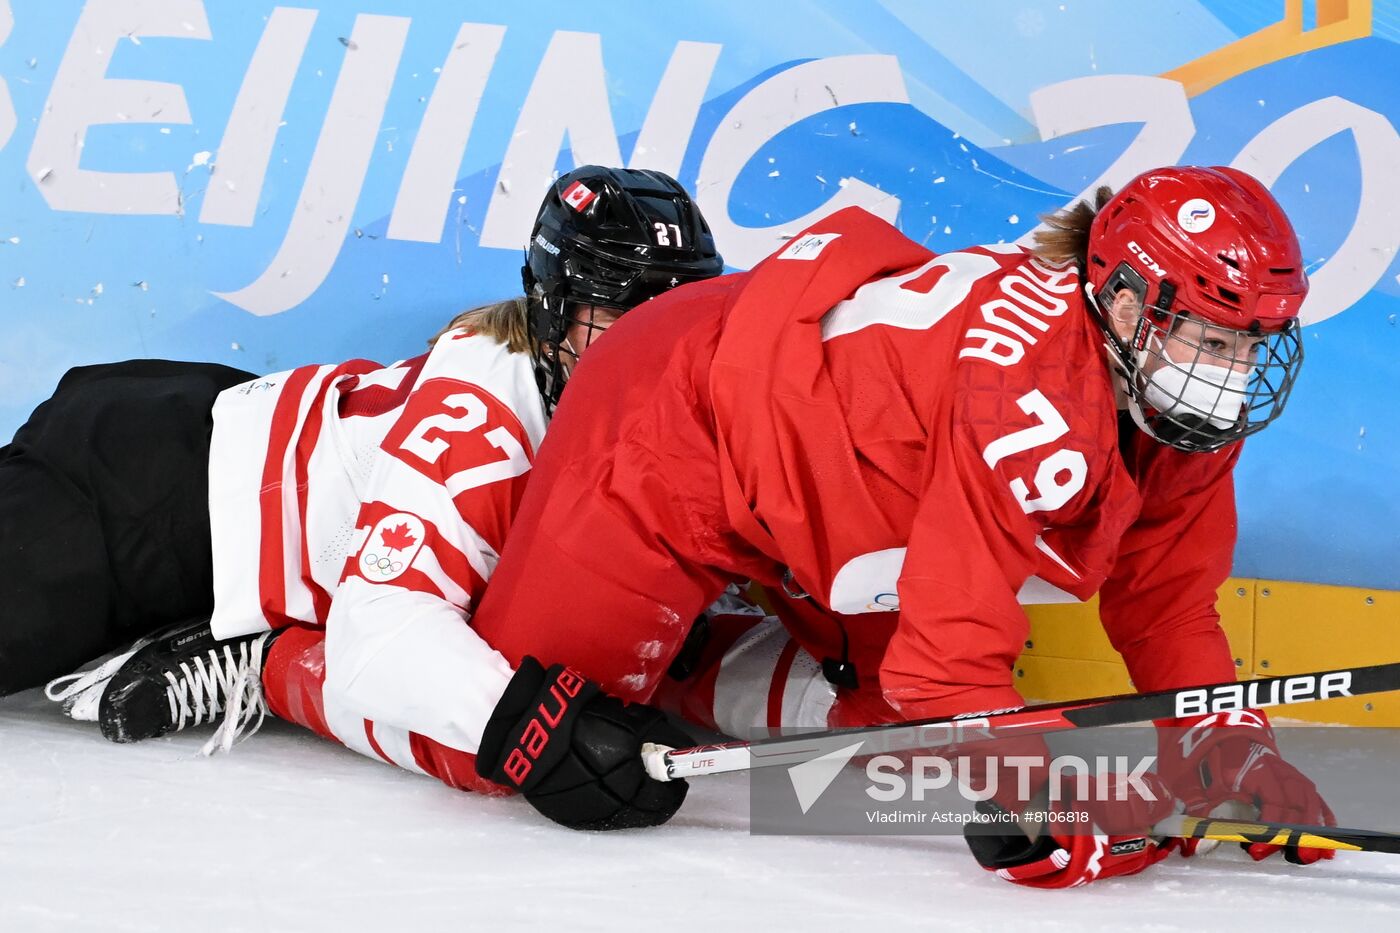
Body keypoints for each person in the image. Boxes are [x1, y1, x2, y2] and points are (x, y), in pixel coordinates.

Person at [463, 165, 1334, 885]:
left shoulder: (1166, 395)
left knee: (885, 735)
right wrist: (1055, 799)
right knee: (518, 744)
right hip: (675, 413)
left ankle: (679, 659)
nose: (1235, 376)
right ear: (1132, 306)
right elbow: (945, 665)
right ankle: (317, 664)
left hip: (826, 484)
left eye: (1252, 344)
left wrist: (1229, 745)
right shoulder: (1030, 398)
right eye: (1216, 342)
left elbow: (1166, 603)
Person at [10, 166, 723, 825]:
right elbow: (378, 634)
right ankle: (268, 653)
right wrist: (538, 732)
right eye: (622, 306)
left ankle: (266, 645)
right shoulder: (482, 418)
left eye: (675, 309)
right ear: (553, 304)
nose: (652, 339)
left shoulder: (635, 417)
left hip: (203, 472)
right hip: (139, 493)